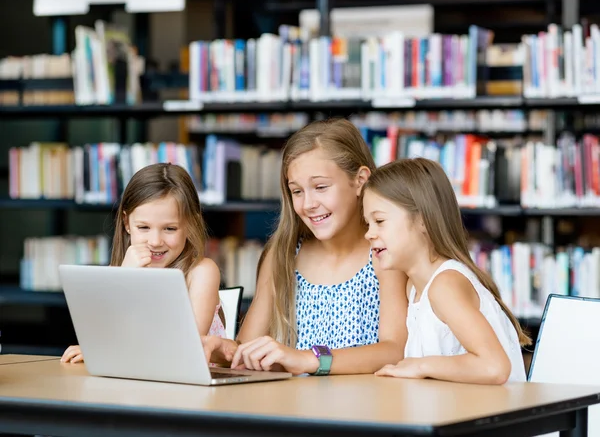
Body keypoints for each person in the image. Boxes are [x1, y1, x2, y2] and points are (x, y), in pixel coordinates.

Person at [204, 118, 408, 375]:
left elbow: (394, 349)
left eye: (321, 187)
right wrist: (223, 350)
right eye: (297, 191)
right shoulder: (284, 256)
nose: (308, 203)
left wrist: (310, 360)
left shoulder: (382, 254)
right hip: (295, 408)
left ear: (360, 180)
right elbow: (247, 348)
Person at [362, 157, 529, 384]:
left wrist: (421, 366)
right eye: (368, 224)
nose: (369, 234)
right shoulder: (413, 287)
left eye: (379, 221)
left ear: (422, 220)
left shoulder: (445, 285)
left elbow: (495, 367)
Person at [61, 163, 225, 364]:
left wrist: (111, 350)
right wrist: (124, 278)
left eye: (170, 229)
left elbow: (186, 346)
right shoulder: (122, 270)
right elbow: (103, 336)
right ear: (126, 223)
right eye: (144, 227)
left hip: (191, 385)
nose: (155, 241)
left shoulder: (202, 272)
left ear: (190, 225)